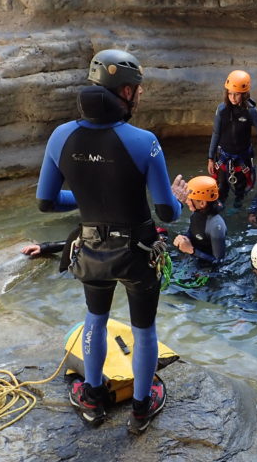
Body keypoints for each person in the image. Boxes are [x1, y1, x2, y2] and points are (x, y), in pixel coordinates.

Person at [36, 49, 187, 432]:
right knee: (144, 330)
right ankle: (140, 407)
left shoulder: (60, 136)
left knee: (95, 319)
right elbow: (167, 213)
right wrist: (179, 198)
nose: (140, 95)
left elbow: (47, 201)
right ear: (125, 91)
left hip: (89, 250)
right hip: (137, 252)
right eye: (138, 89)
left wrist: (85, 201)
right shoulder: (145, 141)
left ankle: (93, 397)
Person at [206, 70, 257, 208]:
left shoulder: (251, 112)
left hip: (242, 159)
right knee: (222, 187)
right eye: (230, 93)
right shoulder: (222, 110)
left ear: (244, 94)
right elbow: (216, 134)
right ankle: (220, 208)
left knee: (241, 189)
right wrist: (210, 158)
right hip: (223, 157)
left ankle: (237, 206)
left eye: (237, 94)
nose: (232, 97)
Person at [172, 176, 227, 269]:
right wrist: (184, 238)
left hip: (207, 266)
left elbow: (219, 262)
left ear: (202, 203)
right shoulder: (196, 212)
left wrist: (192, 251)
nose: (186, 201)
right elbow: (192, 232)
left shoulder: (216, 226)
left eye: (189, 199)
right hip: (195, 254)